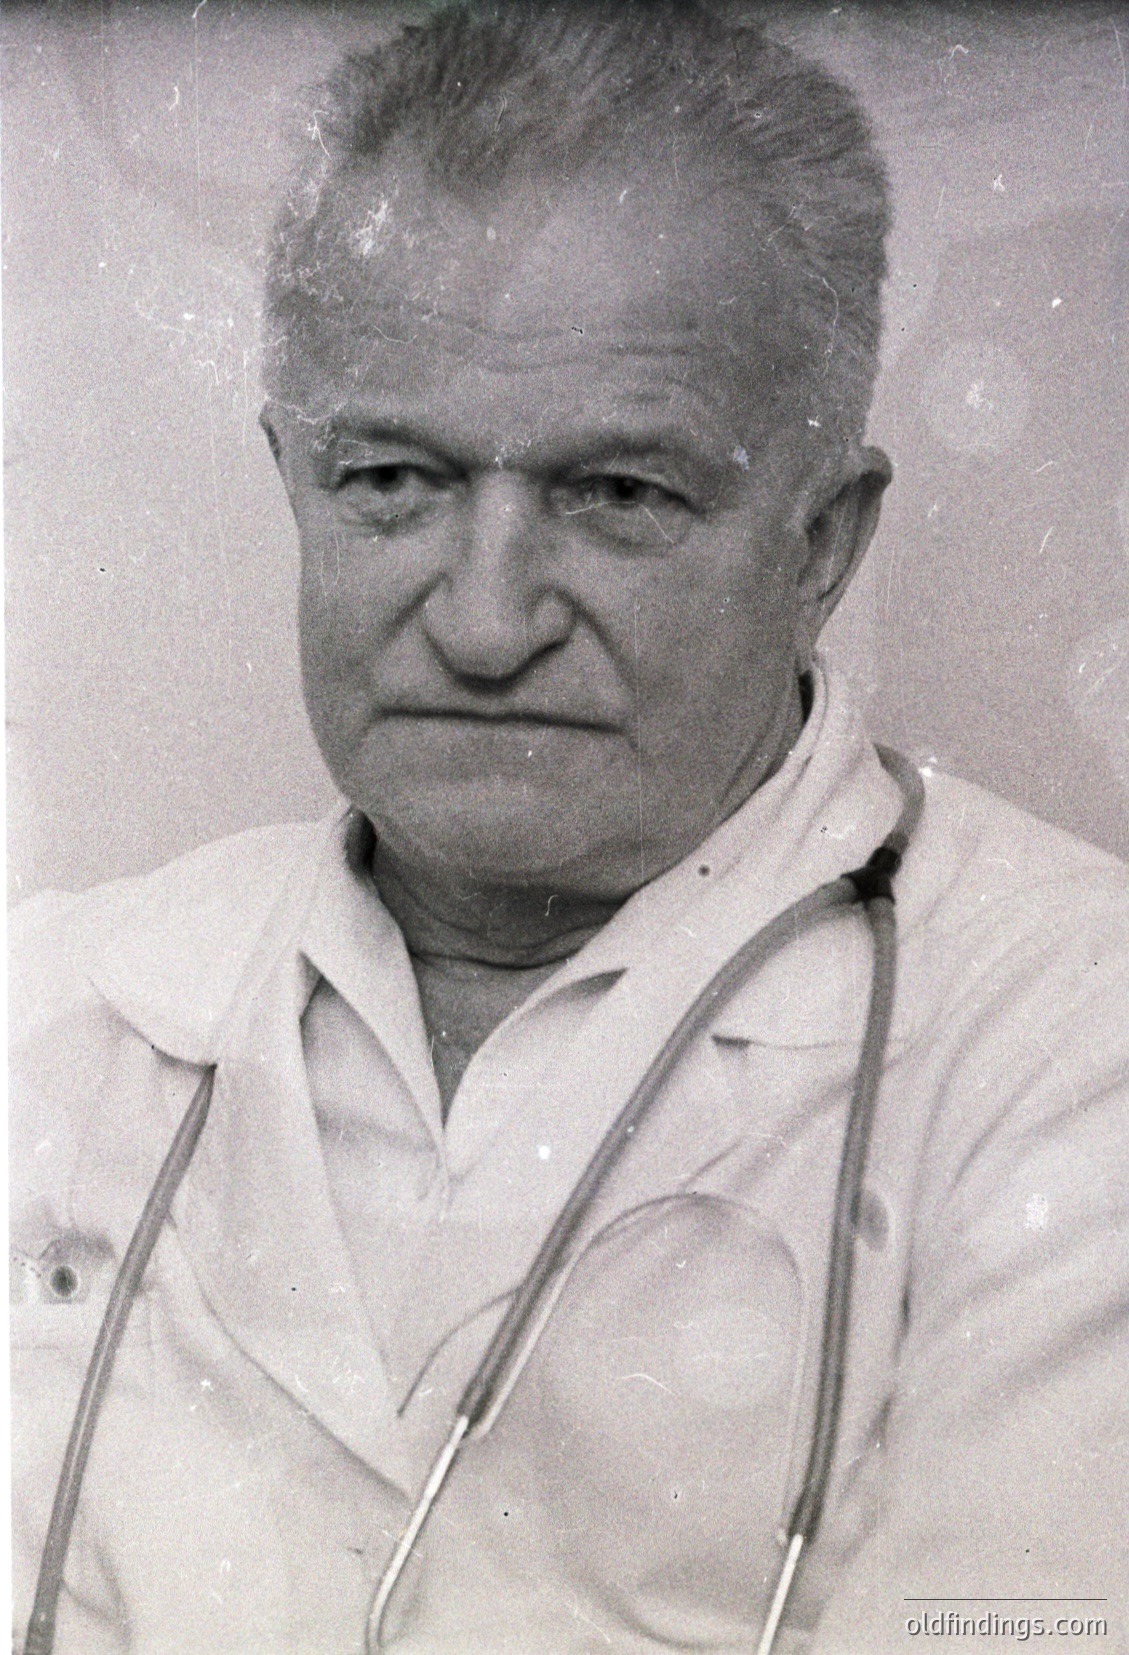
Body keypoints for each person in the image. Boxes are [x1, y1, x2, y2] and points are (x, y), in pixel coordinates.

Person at [10, 5, 1128, 1652]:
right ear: (291, 482)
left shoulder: (1068, 1043)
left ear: (820, 543)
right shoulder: (53, 1009)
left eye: (617, 495)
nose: (480, 619)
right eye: (392, 477)